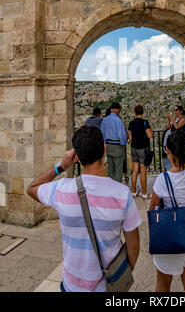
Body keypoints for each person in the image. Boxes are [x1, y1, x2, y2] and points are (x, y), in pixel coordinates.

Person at [27, 125, 141, 292]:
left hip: (72, 285)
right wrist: (121, 276)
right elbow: (134, 245)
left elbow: (32, 188)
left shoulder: (61, 189)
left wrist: (61, 166)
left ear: (77, 157)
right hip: (108, 287)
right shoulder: (122, 195)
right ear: (104, 148)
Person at [149, 132, 185, 292]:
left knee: (163, 285)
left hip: (170, 235)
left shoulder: (163, 180)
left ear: (167, 150)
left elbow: (153, 207)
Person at [128, 105, 153, 199]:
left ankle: (133, 192)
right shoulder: (145, 122)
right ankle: (144, 194)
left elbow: (130, 137)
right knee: (143, 171)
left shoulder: (131, 123)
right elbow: (150, 135)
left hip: (133, 147)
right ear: (142, 112)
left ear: (135, 112)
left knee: (135, 170)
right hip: (142, 148)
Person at [100, 102, 128, 183]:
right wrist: (123, 145)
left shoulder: (105, 120)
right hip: (117, 146)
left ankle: (111, 186)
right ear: (118, 110)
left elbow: (102, 133)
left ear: (111, 109)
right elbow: (121, 135)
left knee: (110, 168)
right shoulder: (118, 120)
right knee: (118, 169)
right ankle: (117, 187)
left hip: (108, 146)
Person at [162, 105, 185, 171]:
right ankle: (174, 167)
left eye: (176, 110)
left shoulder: (183, 119)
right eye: (174, 110)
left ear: (181, 111)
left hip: (180, 139)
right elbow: (170, 127)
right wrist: (169, 119)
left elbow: (177, 127)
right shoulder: (176, 118)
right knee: (172, 154)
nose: (175, 111)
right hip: (174, 139)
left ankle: (180, 169)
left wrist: (172, 118)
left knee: (179, 156)